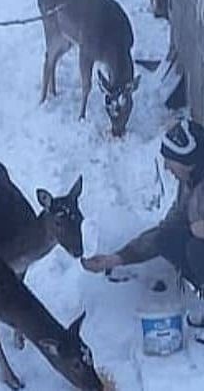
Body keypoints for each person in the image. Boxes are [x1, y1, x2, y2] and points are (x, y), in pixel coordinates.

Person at [82, 118, 204, 341]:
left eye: (170, 160)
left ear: (188, 162)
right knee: (170, 238)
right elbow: (166, 231)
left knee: (196, 248)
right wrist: (115, 259)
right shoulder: (190, 185)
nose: (166, 167)